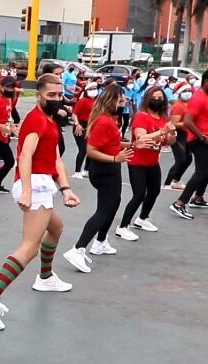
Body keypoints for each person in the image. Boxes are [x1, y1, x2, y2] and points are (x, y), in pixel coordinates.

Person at [0, 74, 81, 330]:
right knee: (30, 246)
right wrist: (28, 191)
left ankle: (45, 277)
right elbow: (25, 156)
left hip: (44, 184)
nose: (56, 99)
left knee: (56, 229)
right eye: (50, 95)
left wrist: (66, 189)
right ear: (40, 94)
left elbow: (56, 159)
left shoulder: (51, 122)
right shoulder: (35, 121)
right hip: (34, 185)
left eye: (58, 94)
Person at [65, 83, 148, 269]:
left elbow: (113, 143)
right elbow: (91, 150)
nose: (124, 103)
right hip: (105, 170)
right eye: (121, 101)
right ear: (112, 102)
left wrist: (131, 146)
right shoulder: (103, 122)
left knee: (112, 205)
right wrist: (114, 158)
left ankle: (101, 241)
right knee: (104, 209)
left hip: (110, 168)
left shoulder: (111, 120)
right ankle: (78, 248)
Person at [116, 86, 176, 240]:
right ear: (148, 99)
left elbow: (169, 141)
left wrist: (171, 133)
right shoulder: (141, 116)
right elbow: (141, 138)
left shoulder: (163, 119)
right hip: (137, 161)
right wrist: (162, 131)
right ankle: (122, 226)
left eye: (160, 98)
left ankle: (142, 218)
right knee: (139, 194)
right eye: (154, 98)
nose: (157, 100)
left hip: (152, 161)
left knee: (154, 191)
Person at [170, 68, 208, 220]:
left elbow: (205, 121)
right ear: (207, 82)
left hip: (205, 137)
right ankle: (180, 202)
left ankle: (198, 197)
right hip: (198, 139)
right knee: (201, 171)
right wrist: (203, 138)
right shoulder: (199, 98)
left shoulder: (207, 96)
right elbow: (188, 122)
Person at [164, 82, 193, 189]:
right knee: (180, 159)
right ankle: (167, 183)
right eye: (185, 91)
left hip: (186, 134)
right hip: (178, 135)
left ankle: (176, 180)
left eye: (189, 91)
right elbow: (174, 123)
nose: (188, 93)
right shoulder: (178, 106)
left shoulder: (188, 104)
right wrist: (188, 123)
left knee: (188, 158)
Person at [70, 81, 98, 179]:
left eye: (95, 88)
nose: (93, 90)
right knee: (83, 148)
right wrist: (77, 124)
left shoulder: (96, 101)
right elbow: (74, 114)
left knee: (90, 148)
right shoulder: (83, 101)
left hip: (90, 126)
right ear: (86, 91)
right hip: (80, 125)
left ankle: (86, 170)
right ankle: (77, 171)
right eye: (91, 89)